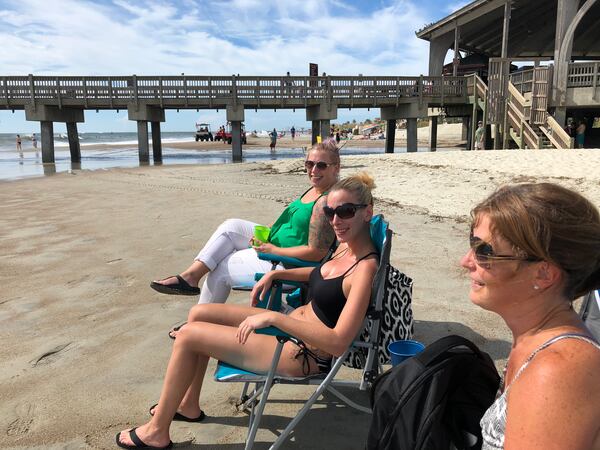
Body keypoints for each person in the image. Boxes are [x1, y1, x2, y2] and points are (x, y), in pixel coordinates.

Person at [116, 173, 379, 449]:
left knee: (188, 335)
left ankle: (157, 432)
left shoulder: (364, 269)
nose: (336, 220)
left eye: (346, 212)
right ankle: (188, 404)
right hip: (289, 329)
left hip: (300, 352)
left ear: (367, 212)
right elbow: (322, 273)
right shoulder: (344, 248)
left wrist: (275, 317)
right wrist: (275, 277)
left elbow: (338, 342)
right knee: (199, 314)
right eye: (330, 212)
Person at [460, 183, 600, 449]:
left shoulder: (558, 370)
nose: (466, 261)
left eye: (484, 251)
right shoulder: (531, 342)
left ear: (543, 274)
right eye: (472, 242)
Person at [150, 141, 340, 307]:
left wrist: (273, 250)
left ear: (336, 168)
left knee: (221, 267)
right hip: (276, 244)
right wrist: (268, 236)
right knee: (231, 226)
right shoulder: (314, 189)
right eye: (309, 163)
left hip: (288, 264)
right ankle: (190, 277)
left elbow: (317, 253)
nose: (313, 170)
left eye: (321, 165)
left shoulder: (325, 201)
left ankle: (199, 320)